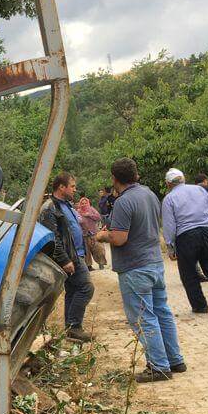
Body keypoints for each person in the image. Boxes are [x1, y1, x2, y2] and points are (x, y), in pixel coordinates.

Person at [96, 158, 185, 382]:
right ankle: (175, 360)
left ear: (114, 179)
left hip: (135, 267)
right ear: (136, 175)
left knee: (143, 318)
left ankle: (158, 366)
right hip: (155, 263)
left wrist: (102, 235)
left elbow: (119, 238)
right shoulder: (149, 194)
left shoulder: (124, 202)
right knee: (162, 312)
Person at [39, 172, 94, 342]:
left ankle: (70, 329)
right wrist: (64, 259)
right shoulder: (50, 208)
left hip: (77, 255)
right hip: (71, 257)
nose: (75, 190)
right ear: (61, 187)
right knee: (86, 288)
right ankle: (75, 327)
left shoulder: (67, 205)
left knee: (73, 291)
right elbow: (52, 236)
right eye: (72, 186)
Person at [161, 167, 208, 313]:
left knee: (188, 273)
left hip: (186, 237)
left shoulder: (169, 199)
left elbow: (169, 226)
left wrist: (170, 247)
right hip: (207, 232)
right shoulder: (199, 190)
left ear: (168, 184)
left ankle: (200, 306)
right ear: (183, 179)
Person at [76, 196, 108, 269]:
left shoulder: (91, 209)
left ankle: (101, 264)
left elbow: (98, 217)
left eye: (85, 203)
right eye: (82, 203)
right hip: (84, 235)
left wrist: (89, 215)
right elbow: (77, 221)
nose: (84, 204)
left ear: (88, 203)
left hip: (93, 233)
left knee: (99, 248)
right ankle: (89, 266)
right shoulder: (78, 212)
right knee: (86, 252)